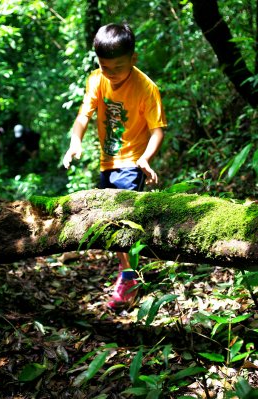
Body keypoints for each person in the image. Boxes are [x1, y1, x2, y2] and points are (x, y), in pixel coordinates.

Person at [62, 23, 167, 309]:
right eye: (105, 67)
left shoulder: (146, 88)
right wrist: (75, 142)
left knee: (120, 221)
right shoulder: (97, 80)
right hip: (107, 162)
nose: (111, 74)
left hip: (132, 163)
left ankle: (129, 278)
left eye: (118, 67)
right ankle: (128, 272)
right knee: (109, 222)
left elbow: (158, 129)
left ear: (133, 59)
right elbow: (84, 116)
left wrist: (145, 158)